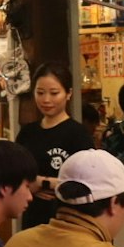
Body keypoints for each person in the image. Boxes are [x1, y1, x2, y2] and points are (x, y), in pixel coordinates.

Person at [15, 62, 94, 230]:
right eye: (40, 93)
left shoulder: (78, 134)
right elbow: (15, 175)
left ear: (69, 94)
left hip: (67, 221)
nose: (46, 100)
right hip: (32, 219)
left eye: (54, 93)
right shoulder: (27, 133)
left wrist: (42, 182)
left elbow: (87, 184)